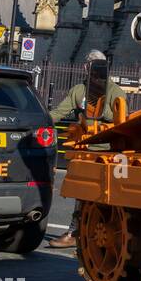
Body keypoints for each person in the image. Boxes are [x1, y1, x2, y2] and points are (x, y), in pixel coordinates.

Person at [47, 51, 126, 248]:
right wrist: (39, 120)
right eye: (90, 65)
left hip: (109, 152)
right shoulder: (79, 90)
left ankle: (105, 234)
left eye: (96, 65)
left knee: (108, 196)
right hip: (86, 150)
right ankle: (75, 232)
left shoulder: (114, 91)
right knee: (82, 193)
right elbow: (59, 112)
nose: (90, 68)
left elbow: (121, 120)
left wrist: (96, 103)